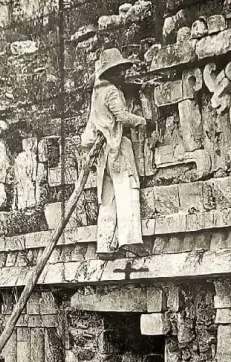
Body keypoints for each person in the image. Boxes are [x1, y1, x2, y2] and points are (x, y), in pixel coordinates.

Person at [80, 48, 147, 259]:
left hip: (102, 152)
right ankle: (130, 240)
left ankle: (105, 244)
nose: (123, 74)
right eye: (119, 70)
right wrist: (142, 121)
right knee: (127, 190)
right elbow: (122, 116)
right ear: (109, 72)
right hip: (116, 147)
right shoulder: (111, 92)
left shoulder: (97, 92)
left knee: (107, 197)